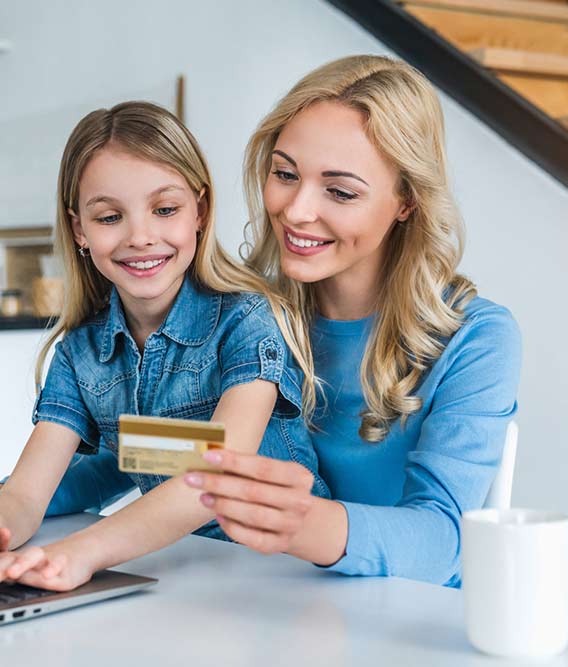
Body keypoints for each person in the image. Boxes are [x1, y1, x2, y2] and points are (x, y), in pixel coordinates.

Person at [0, 101, 329, 599]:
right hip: (182, 572)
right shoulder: (80, 351)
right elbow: (29, 493)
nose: (141, 237)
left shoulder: (247, 321)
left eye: (165, 209)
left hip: (288, 582)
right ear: (80, 230)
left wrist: (82, 551)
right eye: (109, 217)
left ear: (200, 212)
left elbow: (213, 476)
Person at [183, 55, 522, 586]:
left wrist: (300, 523)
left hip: (400, 631)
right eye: (285, 174)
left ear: (407, 200)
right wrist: (19, 497)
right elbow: (153, 448)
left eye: (339, 191)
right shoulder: (241, 316)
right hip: (255, 608)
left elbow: (445, 542)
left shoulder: (475, 338)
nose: (296, 210)